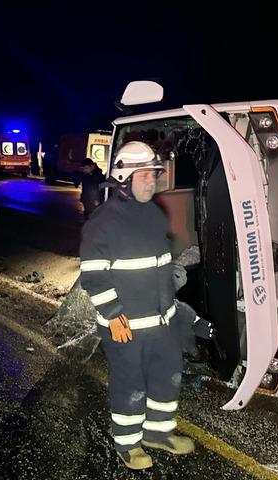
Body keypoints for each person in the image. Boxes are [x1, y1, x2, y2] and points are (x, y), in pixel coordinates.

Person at [79, 141, 202, 470]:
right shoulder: (103, 222)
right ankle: (128, 443)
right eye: (145, 175)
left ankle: (157, 434)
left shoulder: (152, 213)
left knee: (167, 376)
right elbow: (93, 276)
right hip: (127, 326)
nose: (153, 181)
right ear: (124, 178)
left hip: (163, 322)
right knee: (130, 384)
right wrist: (114, 315)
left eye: (154, 175)